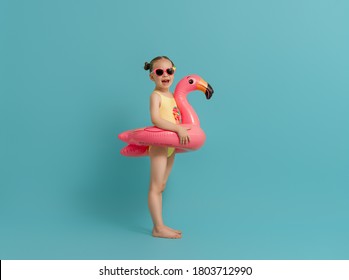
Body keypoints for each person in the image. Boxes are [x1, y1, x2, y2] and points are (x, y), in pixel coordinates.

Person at [144, 56, 190, 239]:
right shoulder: (155, 96)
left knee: (162, 185)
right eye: (159, 72)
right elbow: (156, 119)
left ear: (174, 72)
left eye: (169, 71)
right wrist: (177, 128)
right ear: (152, 77)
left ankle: (161, 224)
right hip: (159, 145)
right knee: (155, 186)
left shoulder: (173, 96)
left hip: (171, 146)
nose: (165, 75)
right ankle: (158, 227)